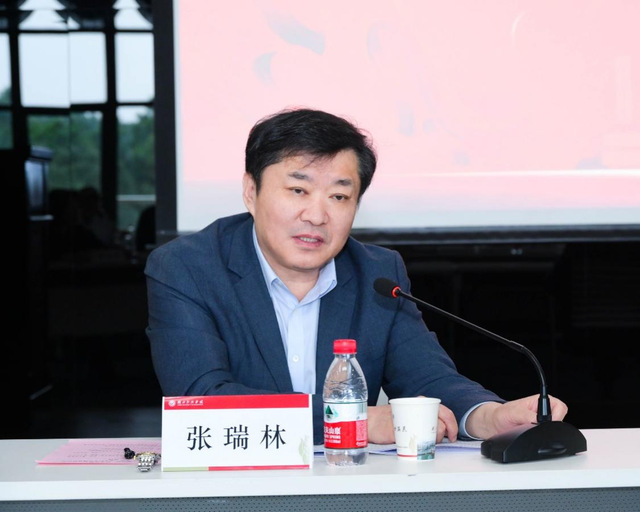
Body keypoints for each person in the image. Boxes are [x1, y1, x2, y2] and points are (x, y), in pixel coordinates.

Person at [145, 108, 567, 446]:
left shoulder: (377, 274)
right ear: (251, 192)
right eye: (298, 190)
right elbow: (200, 400)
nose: (316, 215)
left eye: (339, 196)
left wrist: (488, 416)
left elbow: (426, 378)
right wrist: (353, 420)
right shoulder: (187, 268)